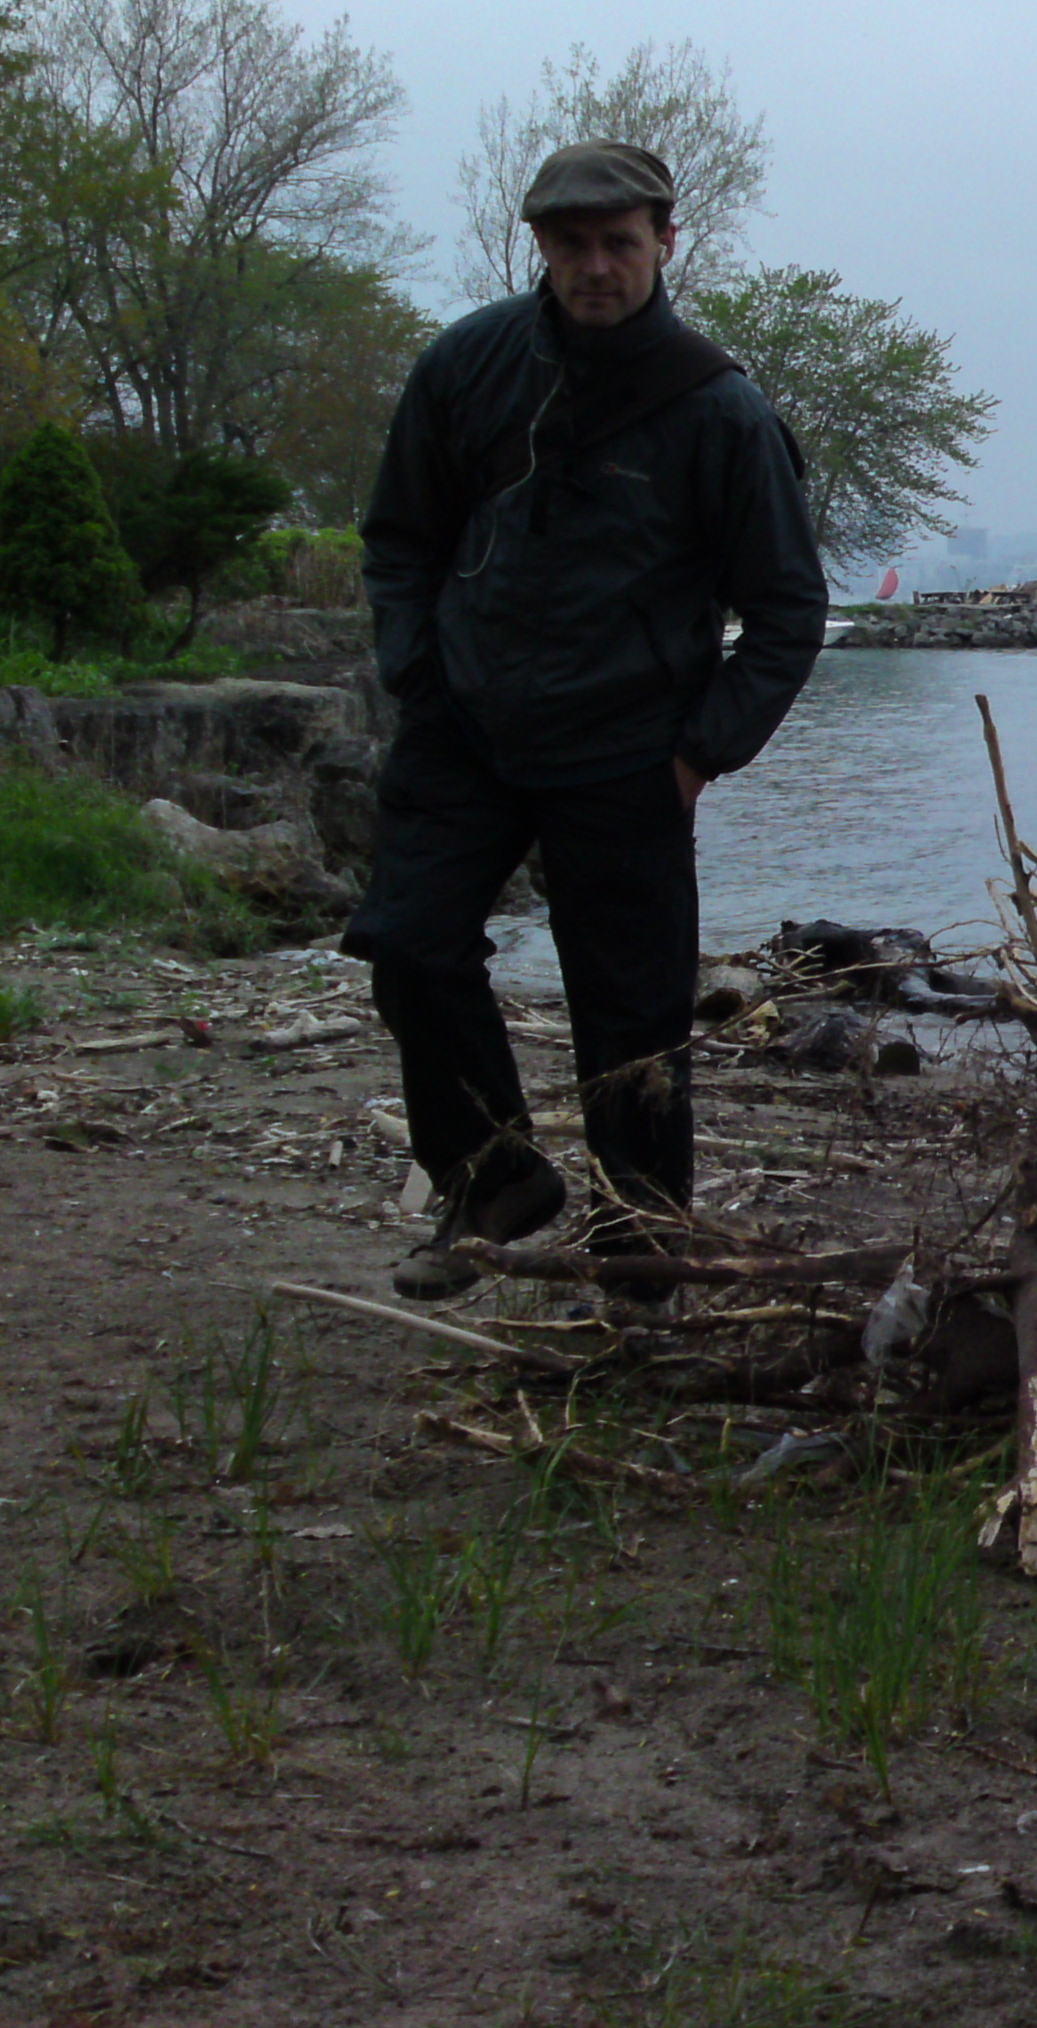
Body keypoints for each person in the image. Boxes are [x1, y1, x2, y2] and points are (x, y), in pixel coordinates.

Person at [346, 140, 827, 1301]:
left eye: (619, 243)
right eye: (573, 245)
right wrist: (419, 676)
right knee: (408, 947)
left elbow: (785, 611)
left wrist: (697, 755)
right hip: (465, 732)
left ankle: (641, 1261)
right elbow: (401, 538)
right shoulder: (469, 365)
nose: (596, 266)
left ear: (666, 242)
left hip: (627, 753)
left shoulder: (720, 411)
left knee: (634, 1026)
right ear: (542, 247)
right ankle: (493, 1180)